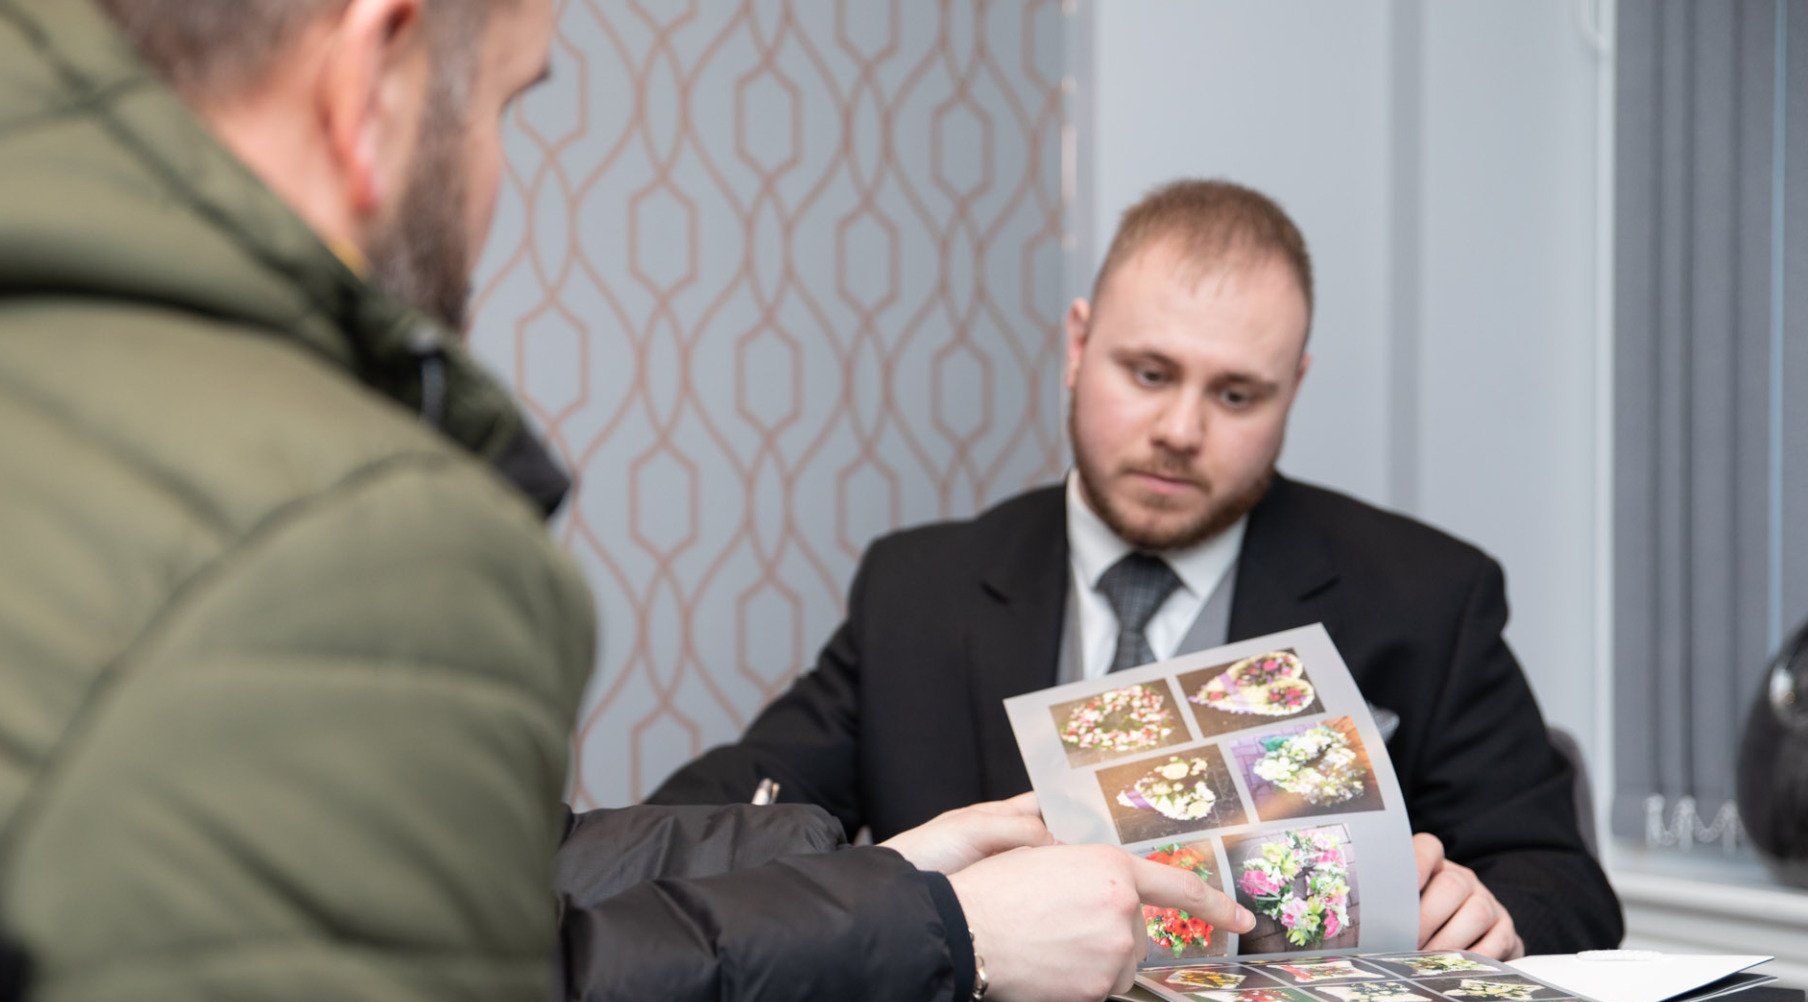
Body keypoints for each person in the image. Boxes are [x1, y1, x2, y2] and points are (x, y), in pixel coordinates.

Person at [0, 1, 1248, 1002]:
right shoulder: (315, 529)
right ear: (373, 72)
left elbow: (492, 886)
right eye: (504, 111)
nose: (490, 182)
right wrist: (940, 928)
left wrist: (893, 873)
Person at [652, 179, 1626, 960]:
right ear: (1078, 346)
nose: (1180, 430)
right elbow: (737, 811)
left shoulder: (1425, 596)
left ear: (1293, 392)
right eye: (1149, 373)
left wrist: (1489, 910)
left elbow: (1564, 887)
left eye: (1236, 393)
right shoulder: (920, 587)